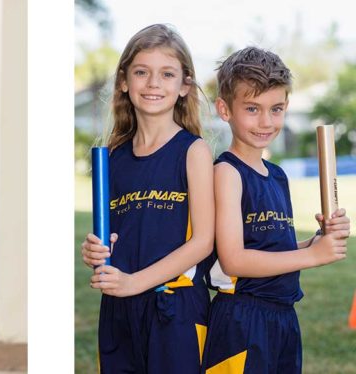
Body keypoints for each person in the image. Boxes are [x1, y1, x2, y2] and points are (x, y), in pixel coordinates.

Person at [202, 46, 349, 373]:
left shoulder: (277, 175)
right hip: (242, 318)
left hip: (282, 317)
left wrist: (315, 242)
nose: (266, 121)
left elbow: (271, 250)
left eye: (277, 109)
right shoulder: (226, 173)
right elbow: (234, 259)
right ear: (225, 110)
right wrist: (312, 256)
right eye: (252, 108)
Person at [79, 24, 215, 372]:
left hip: (175, 310)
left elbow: (202, 242)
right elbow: (118, 233)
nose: (153, 83)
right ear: (124, 81)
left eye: (167, 74)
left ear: (184, 85)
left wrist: (134, 283)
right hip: (119, 310)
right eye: (142, 72)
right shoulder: (111, 159)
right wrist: (95, 250)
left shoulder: (193, 151)